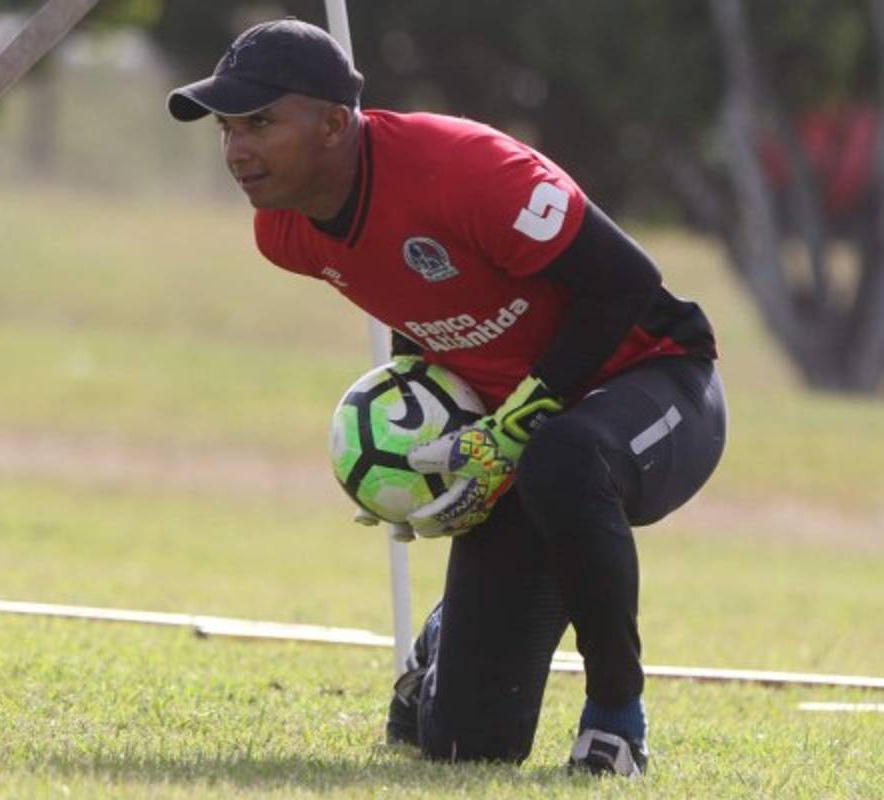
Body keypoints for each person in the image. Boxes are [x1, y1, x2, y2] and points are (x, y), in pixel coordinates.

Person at [167, 18, 726, 777]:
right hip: (522, 438)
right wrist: (413, 459)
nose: (237, 150)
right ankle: (443, 639)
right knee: (468, 745)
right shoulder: (286, 234)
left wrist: (514, 429)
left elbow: (625, 283)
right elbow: (420, 304)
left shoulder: (469, 169)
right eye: (228, 128)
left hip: (658, 381)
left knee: (564, 454)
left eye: (260, 122)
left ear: (335, 124)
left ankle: (616, 719)